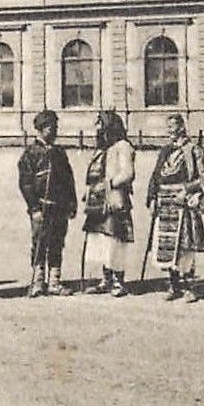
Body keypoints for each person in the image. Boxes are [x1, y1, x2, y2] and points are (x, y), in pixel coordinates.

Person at [145, 114, 204, 303]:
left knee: (185, 246)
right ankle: (173, 285)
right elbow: (155, 176)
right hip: (164, 203)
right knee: (166, 245)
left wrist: (187, 190)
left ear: (182, 128)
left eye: (173, 127)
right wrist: (151, 199)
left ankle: (190, 286)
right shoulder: (165, 151)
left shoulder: (194, 150)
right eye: (168, 127)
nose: (169, 131)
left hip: (184, 203)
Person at [17, 109, 77, 297]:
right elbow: (25, 184)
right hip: (41, 208)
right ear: (41, 129)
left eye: (56, 127)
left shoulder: (60, 153)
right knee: (39, 243)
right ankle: (37, 282)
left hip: (59, 207)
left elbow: (69, 180)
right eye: (52, 128)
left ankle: (54, 282)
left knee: (57, 242)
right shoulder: (30, 154)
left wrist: (72, 204)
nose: (55, 131)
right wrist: (34, 208)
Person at [82, 110, 137, 297]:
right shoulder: (102, 148)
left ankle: (118, 282)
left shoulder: (123, 146)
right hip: (98, 202)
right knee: (101, 240)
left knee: (115, 240)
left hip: (114, 201)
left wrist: (108, 184)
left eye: (101, 126)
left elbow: (127, 173)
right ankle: (105, 279)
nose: (98, 131)